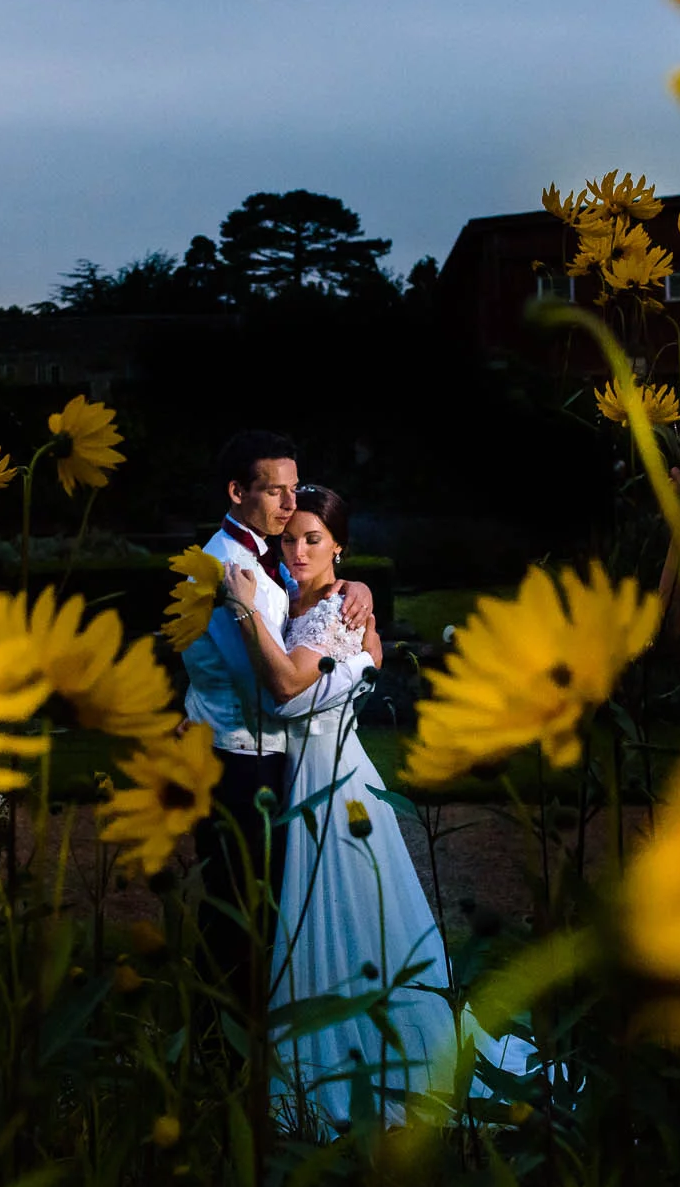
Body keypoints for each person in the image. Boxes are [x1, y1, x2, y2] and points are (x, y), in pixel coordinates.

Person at [224, 485, 535, 1135]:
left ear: (339, 543)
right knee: (346, 916)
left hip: (332, 785)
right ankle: (343, 1046)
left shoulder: (324, 615)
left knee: (342, 912)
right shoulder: (321, 602)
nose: (299, 549)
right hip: (327, 774)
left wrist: (247, 612)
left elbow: (286, 689)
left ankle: (354, 1065)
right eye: (291, 538)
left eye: (314, 538)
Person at [182, 432, 374, 1005]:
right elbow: (277, 694)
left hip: (263, 759)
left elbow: (310, 597)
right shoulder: (226, 571)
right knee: (239, 913)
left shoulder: (260, 560)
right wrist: (353, 664)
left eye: (294, 491)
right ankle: (222, 1053)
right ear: (238, 492)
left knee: (262, 908)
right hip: (242, 764)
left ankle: (247, 1039)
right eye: (276, 492)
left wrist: (353, 588)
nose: (290, 506)